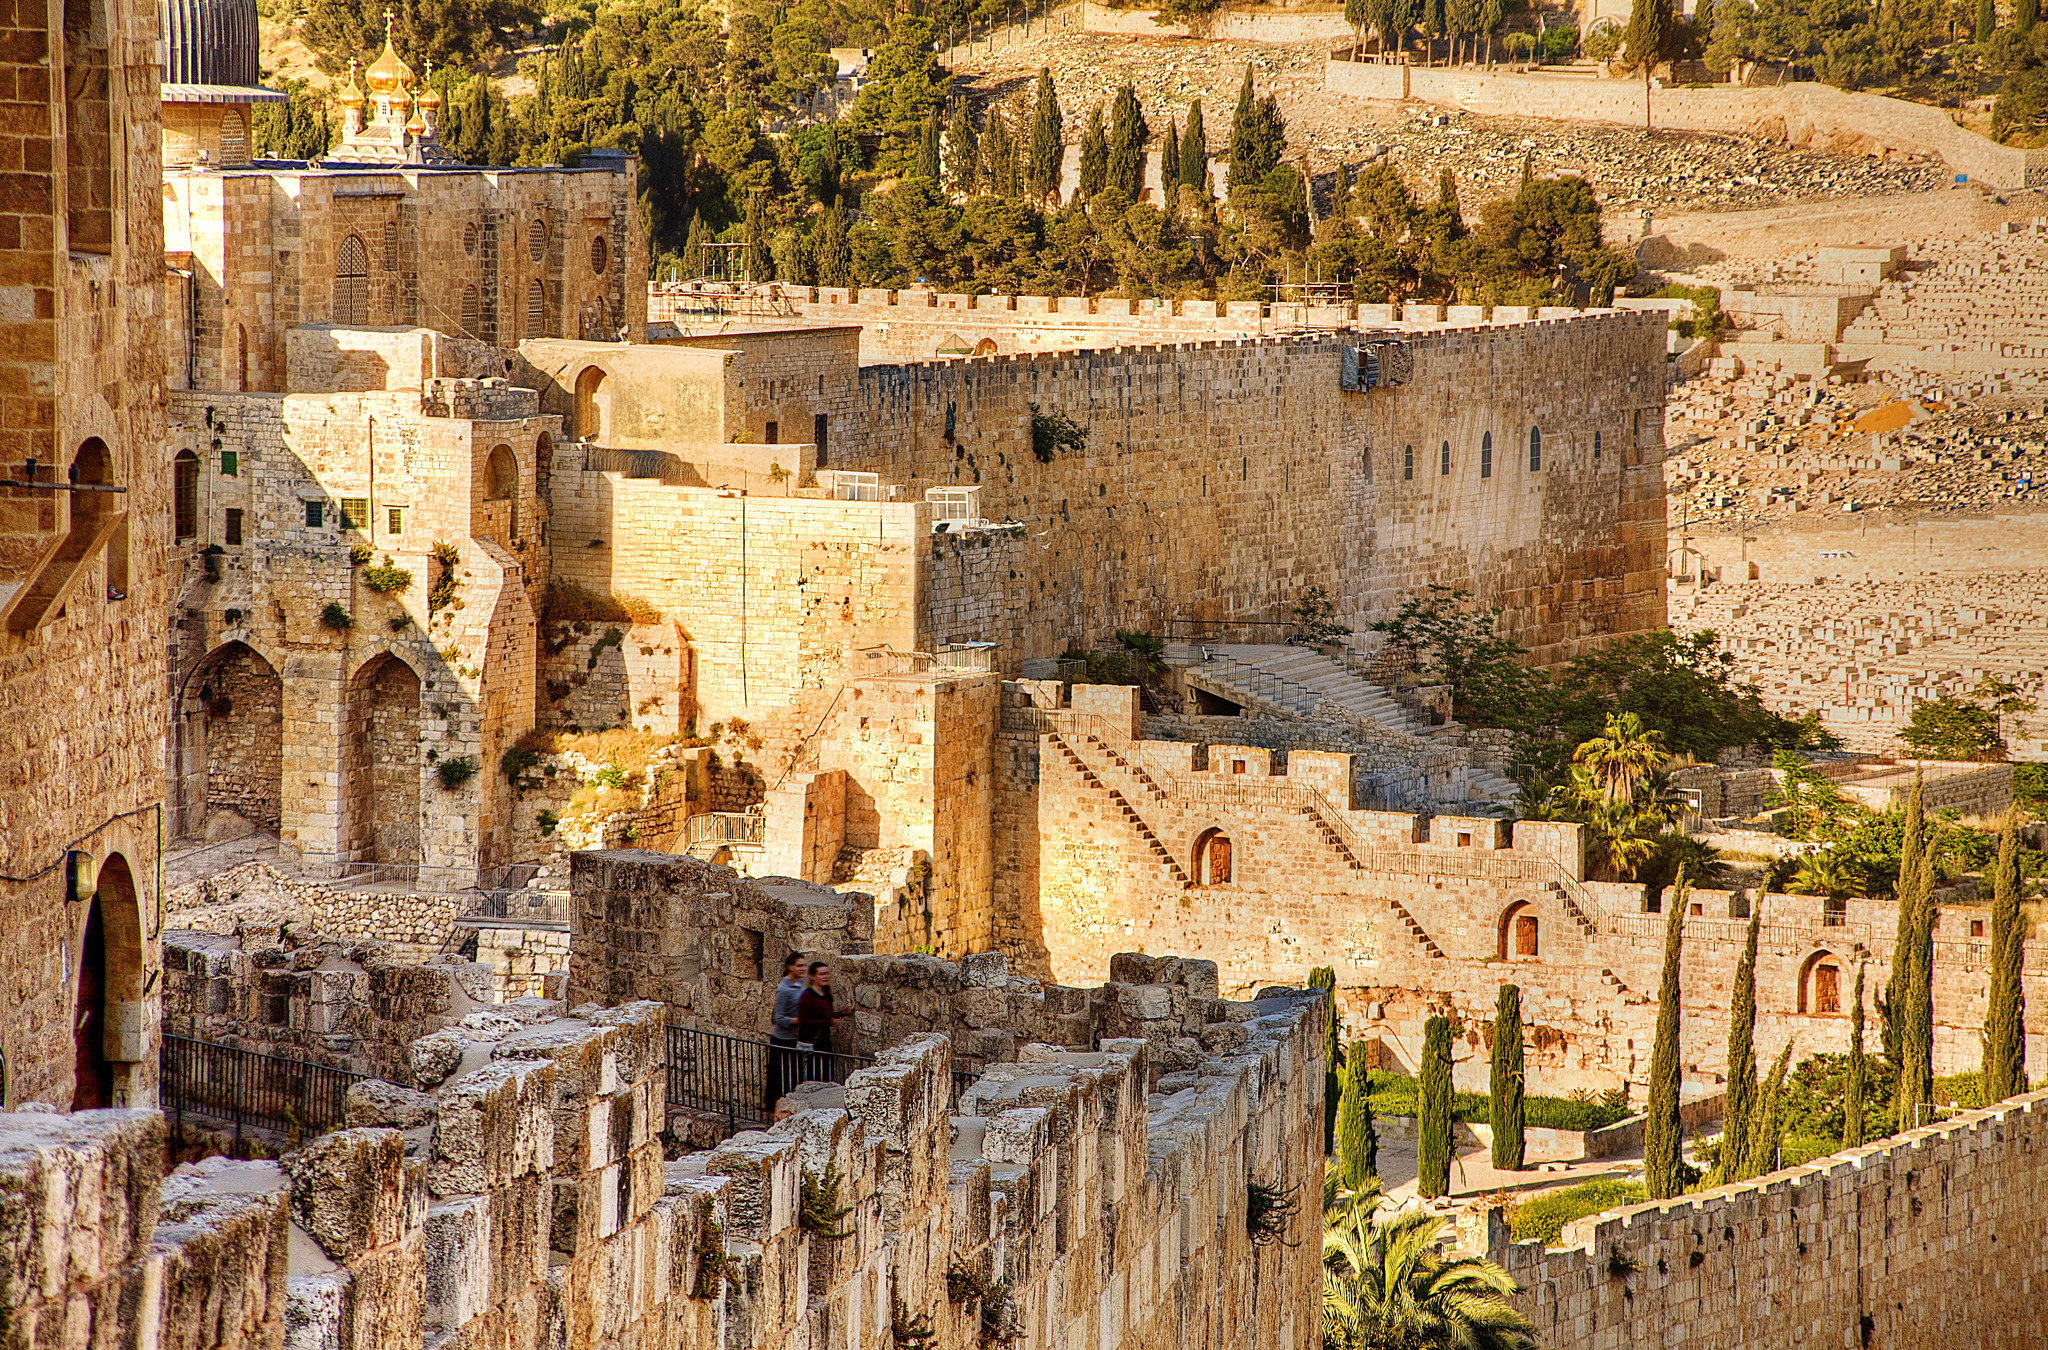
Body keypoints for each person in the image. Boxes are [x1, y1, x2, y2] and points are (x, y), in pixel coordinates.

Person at [795, 960, 854, 1081]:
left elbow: (825, 1014)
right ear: (812, 976)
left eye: (826, 973)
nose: (825, 976)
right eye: (821, 974)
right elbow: (804, 1020)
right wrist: (828, 1021)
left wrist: (840, 1013)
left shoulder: (825, 994)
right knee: (813, 1078)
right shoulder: (807, 996)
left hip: (824, 1043)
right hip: (812, 1045)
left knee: (827, 1076)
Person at [764, 952, 805, 1112]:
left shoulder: (799, 984)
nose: (802, 969)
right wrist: (798, 1020)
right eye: (799, 966)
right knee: (778, 1076)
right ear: (790, 967)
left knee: (795, 1074)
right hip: (781, 1039)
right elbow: (778, 1017)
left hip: (794, 1038)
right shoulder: (783, 989)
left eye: (803, 965)